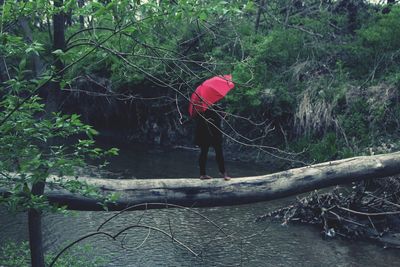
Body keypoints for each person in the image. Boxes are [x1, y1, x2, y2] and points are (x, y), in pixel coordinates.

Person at [194, 107, 230, 180]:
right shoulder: (201, 107)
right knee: (204, 152)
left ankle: (223, 173)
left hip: (215, 131)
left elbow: (224, 117)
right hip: (204, 131)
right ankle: (203, 174)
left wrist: (224, 114)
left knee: (218, 152)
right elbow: (197, 118)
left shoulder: (216, 106)